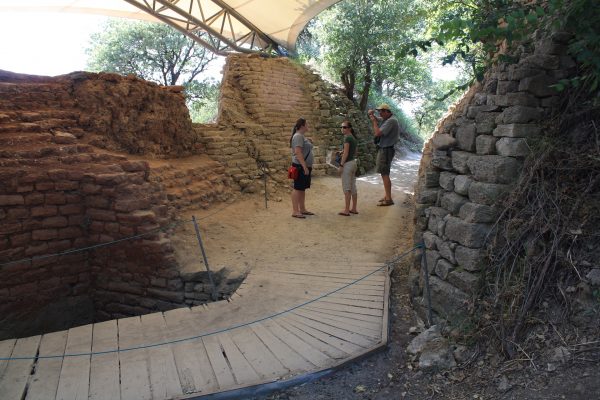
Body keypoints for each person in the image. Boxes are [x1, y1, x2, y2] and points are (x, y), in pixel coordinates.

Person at [368, 103, 400, 206]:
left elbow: (377, 133)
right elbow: (379, 119)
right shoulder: (389, 119)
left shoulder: (391, 121)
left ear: (387, 111)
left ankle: (389, 199)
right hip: (386, 149)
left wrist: (373, 121)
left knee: (385, 174)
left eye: (381, 111)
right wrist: (372, 116)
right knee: (384, 173)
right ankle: (387, 196)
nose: (380, 113)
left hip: (386, 150)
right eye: (379, 111)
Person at [290, 117, 314, 219]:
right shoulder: (298, 136)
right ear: (302, 126)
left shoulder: (301, 136)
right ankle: (295, 211)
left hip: (303, 166)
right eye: (307, 124)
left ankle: (302, 209)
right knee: (297, 188)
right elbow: (298, 152)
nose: (308, 126)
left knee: (302, 188)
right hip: (300, 167)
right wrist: (304, 166)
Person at [337, 121, 359, 216]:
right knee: (353, 186)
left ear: (349, 128)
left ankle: (346, 210)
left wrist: (341, 165)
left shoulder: (347, 138)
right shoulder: (353, 138)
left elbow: (346, 154)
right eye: (342, 127)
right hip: (353, 163)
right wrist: (343, 151)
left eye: (345, 127)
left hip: (347, 165)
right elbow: (355, 152)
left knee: (347, 187)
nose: (343, 129)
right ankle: (353, 208)